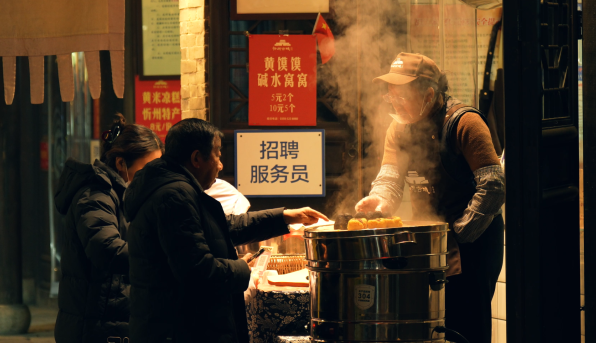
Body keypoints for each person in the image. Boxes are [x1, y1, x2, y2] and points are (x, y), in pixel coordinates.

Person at [124, 118, 328, 343]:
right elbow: (197, 270)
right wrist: (242, 268)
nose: (220, 165)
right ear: (197, 158)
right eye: (218, 154)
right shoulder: (175, 197)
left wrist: (285, 216)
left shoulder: (176, 190)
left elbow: (225, 227)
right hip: (177, 331)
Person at [356, 52, 505, 343]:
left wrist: (457, 236)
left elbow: (493, 187)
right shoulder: (399, 127)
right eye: (390, 96)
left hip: (474, 239)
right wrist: (380, 200)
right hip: (435, 242)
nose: (393, 103)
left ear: (428, 94)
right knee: (432, 325)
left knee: (466, 326)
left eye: (401, 96)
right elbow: (389, 179)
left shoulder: (465, 123)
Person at [53, 114, 163, 343]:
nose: (151, 178)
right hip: (94, 327)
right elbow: (107, 250)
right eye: (146, 169)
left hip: (111, 321)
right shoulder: (95, 195)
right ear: (121, 163)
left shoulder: (123, 194)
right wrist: (162, 254)